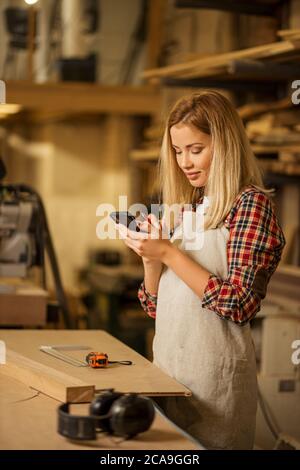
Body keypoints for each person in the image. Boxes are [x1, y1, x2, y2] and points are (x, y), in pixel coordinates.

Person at [115, 91, 286, 450]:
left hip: (214, 386)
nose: (185, 163)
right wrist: (151, 260)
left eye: (196, 149)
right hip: (166, 374)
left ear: (224, 145)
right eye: (177, 152)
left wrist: (170, 255)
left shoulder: (250, 206)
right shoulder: (190, 206)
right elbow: (154, 308)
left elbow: (240, 304)